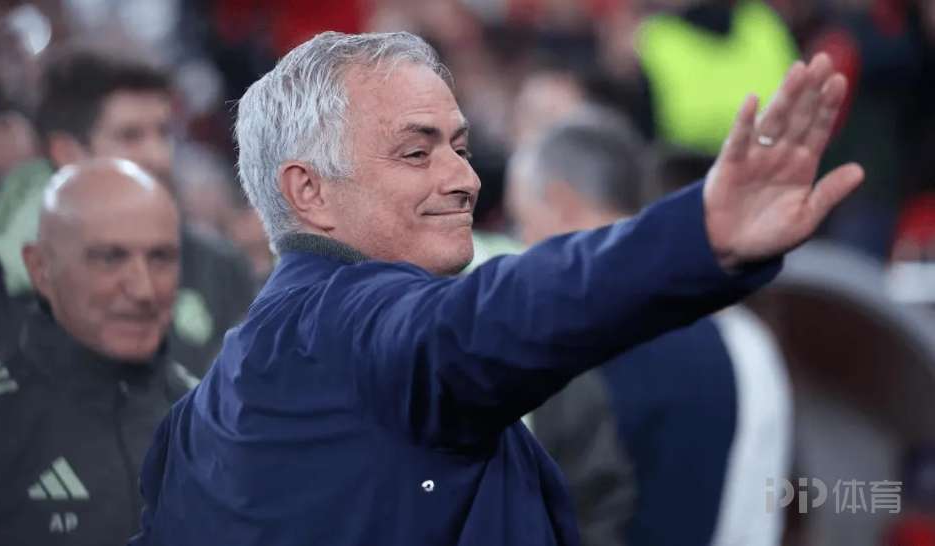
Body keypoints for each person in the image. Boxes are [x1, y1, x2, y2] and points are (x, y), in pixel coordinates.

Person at [132, 31, 863, 546]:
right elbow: (501, 310)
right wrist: (697, 233)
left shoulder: (196, 420)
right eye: (416, 152)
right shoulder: (363, 331)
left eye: (460, 147)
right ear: (309, 192)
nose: (465, 179)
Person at [507, 108, 791, 546]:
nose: (517, 243)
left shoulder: (569, 333)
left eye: (521, 221)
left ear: (560, 204)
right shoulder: (730, 336)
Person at [0, 49, 256, 374]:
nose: (158, 156)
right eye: (130, 136)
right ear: (67, 152)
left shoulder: (219, 265)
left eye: (164, 133)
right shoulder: (5, 281)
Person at [0, 159, 198, 546]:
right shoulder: (1, 424)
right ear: (40, 268)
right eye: (110, 257)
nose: (143, 290)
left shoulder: (211, 419)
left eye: (160, 258)